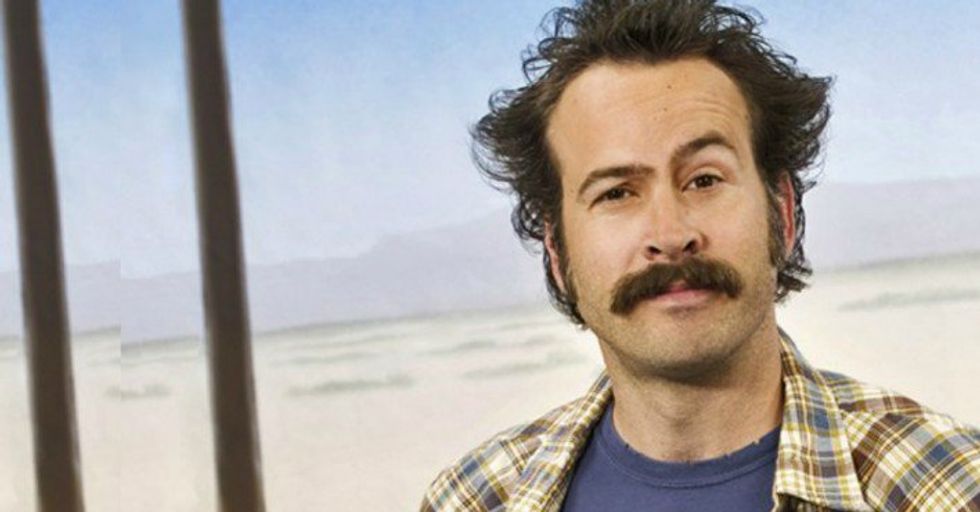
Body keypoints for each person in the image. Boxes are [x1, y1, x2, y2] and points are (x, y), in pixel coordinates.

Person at [420, 1, 980, 510]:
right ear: (557, 252)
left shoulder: (952, 488)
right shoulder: (475, 499)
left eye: (704, 179)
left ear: (782, 213)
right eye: (616, 193)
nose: (670, 234)